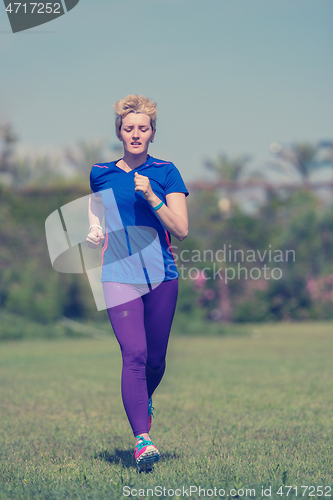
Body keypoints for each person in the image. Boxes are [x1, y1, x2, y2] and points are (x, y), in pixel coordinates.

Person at [86, 94, 189, 473]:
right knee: (135, 354)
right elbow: (97, 203)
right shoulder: (101, 171)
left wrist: (150, 195)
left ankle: (142, 401)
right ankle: (142, 440)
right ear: (119, 132)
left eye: (142, 128)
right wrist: (95, 227)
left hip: (161, 275)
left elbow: (181, 230)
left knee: (157, 361)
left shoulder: (166, 172)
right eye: (128, 128)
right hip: (118, 273)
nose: (135, 134)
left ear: (152, 133)